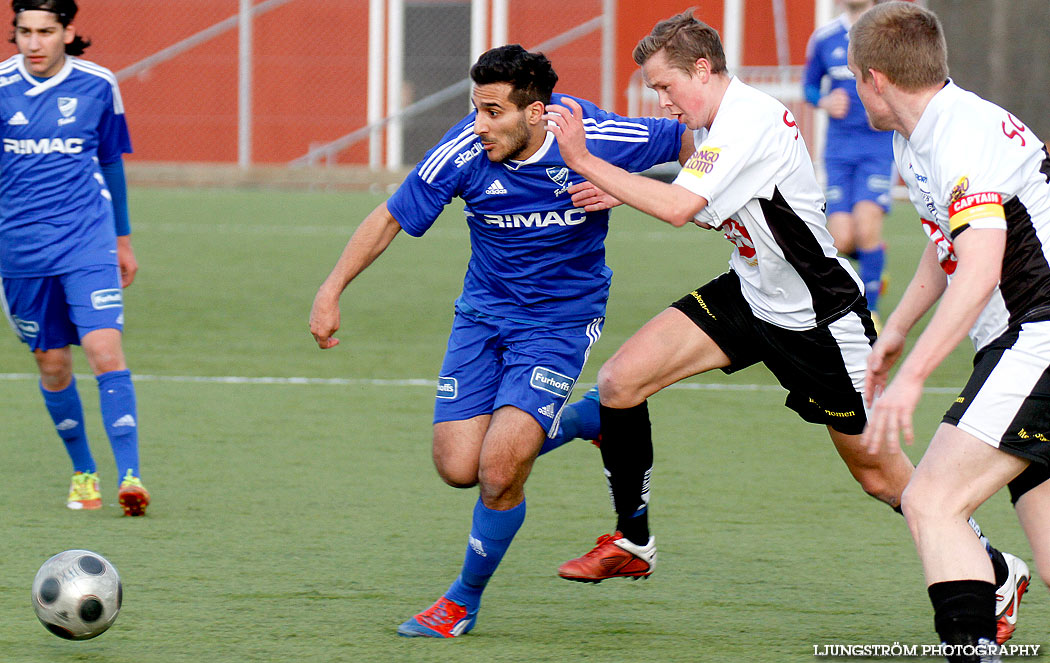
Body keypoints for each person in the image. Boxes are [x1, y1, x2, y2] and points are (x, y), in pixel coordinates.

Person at [543, 9, 1028, 644]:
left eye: (666, 87)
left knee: (883, 478)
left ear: (702, 68)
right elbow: (697, 193)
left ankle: (995, 569)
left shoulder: (749, 117)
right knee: (620, 380)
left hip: (817, 317)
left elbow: (679, 207)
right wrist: (628, 185)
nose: (661, 102)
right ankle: (635, 540)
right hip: (751, 294)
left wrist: (584, 160)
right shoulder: (719, 121)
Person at [309, 44, 690, 638]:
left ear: (537, 112)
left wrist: (623, 185)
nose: (479, 125)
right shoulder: (464, 151)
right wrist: (331, 290)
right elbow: (389, 216)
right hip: (483, 319)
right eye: (476, 109)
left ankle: (461, 602)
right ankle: (590, 419)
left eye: (493, 112)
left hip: (560, 324)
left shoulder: (593, 134)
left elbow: (696, 141)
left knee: (498, 471)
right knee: (459, 468)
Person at [851, 2, 1050, 657]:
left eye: (856, 78)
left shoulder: (961, 132)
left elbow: (983, 264)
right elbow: (950, 249)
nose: (856, 90)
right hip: (1022, 343)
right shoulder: (918, 137)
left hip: (1039, 339)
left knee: (931, 498)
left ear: (875, 78)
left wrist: (913, 379)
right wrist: (898, 331)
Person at [0, 0, 148, 516]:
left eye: (45, 31)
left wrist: (122, 240)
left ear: (68, 31)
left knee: (104, 349)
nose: (34, 43)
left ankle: (131, 475)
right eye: (24, 32)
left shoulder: (98, 84)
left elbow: (111, 162)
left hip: (86, 239)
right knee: (53, 362)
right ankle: (84, 472)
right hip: (19, 249)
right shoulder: (0, 88)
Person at [804, 0, 894, 322]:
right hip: (839, 150)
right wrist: (825, 101)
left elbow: (906, 78)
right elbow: (809, 87)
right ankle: (874, 266)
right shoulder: (825, 36)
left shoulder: (888, 31)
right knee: (841, 238)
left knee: (867, 227)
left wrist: (888, 106)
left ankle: (871, 312)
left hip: (878, 146)